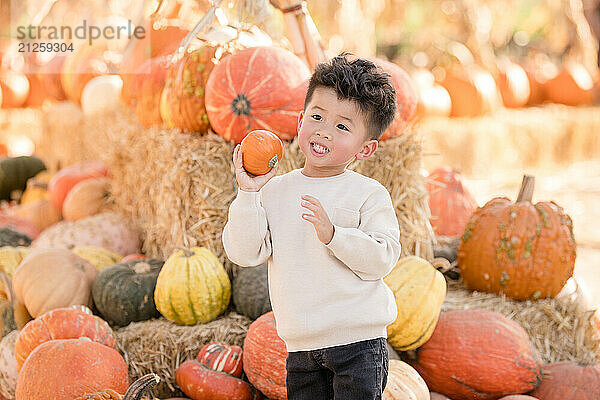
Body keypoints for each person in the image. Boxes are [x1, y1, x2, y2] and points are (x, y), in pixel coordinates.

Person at [222, 54, 400, 400]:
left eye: (342, 126)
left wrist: (334, 236)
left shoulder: (368, 194)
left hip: (358, 344)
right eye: (317, 117)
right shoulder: (274, 191)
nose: (323, 130)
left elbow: (383, 257)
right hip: (301, 346)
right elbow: (244, 253)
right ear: (301, 120)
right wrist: (247, 193)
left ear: (366, 149)